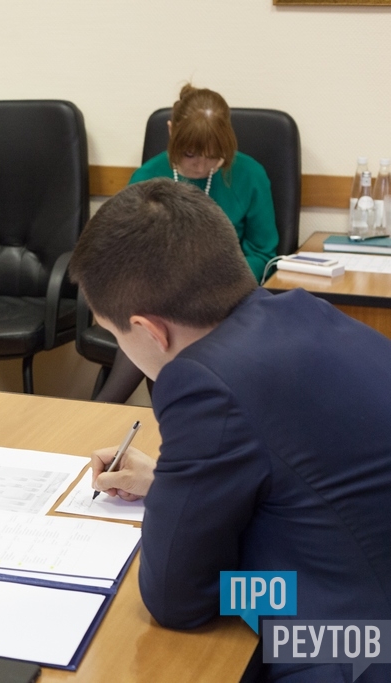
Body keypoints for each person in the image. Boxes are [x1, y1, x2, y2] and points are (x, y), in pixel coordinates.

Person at [70, 179, 391, 683]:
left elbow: (178, 599)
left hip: (355, 647)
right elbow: (301, 473)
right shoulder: (302, 309)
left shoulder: (202, 380)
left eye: (116, 335)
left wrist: (231, 570)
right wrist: (167, 484)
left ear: (150, 330)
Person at [95, 85, 279, 403]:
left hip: (227, 296)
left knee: (164, 332)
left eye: (213, 155)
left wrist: (216, 283)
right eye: (190, 154)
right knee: (155, 325)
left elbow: (263, 252)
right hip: (160, 296)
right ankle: (124, 412)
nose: (200, 166)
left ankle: (103, 410)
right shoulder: (147, 177)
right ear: (171, 131)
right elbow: (126, 255)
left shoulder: (250, 175)